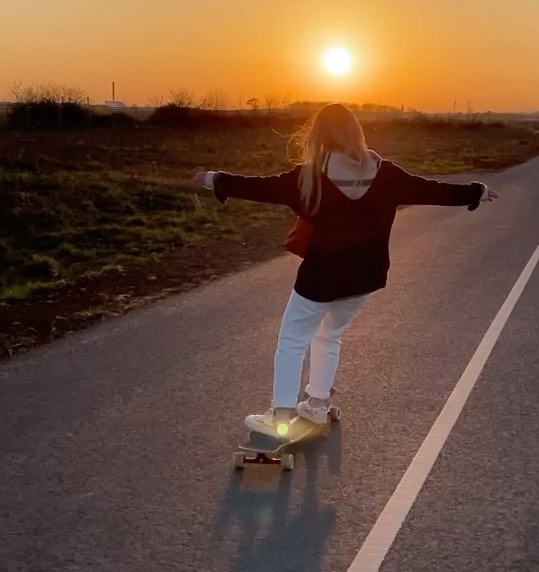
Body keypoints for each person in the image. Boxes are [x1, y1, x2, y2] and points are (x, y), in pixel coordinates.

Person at [193, 103, 498, 440]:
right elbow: (433, 190)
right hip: (364, 276)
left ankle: (281, 415)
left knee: (293, 340)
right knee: (329, 334)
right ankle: (317, 404)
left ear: (317, 136)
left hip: (320, 277)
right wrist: (476, 191)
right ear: (356, 133)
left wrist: (214, 179)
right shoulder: (387, 174)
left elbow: (258, 187)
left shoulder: (308, 177)